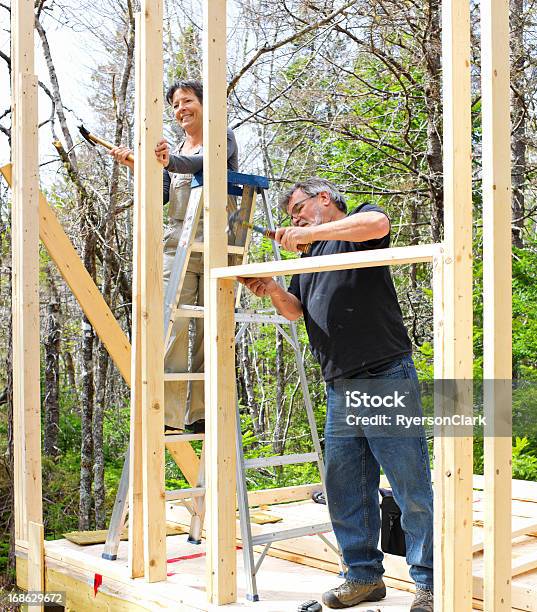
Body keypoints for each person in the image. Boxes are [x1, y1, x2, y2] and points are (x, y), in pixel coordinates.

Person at [238, 178, 433, 611]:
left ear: (323, 198)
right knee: (345, 488)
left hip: (384, 373)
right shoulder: (308, 259)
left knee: (409, 484)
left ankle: (430, 583)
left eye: (299, 211)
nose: (296, 222)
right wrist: (272, 288)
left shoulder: (352, 233)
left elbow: (377, 224)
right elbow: (297, 311)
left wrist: (309, 233)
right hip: (340, 384)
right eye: (292, 218)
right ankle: (363, 577)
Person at [110, 79, 238, 433]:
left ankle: (202, 413)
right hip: (177, 244)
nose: (182, 109)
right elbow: (162, 194)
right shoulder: (176, 149)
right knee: (172, 325)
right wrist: (141, 167)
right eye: (176, 105)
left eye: (188, 101)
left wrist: (165, 160)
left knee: (210, 329)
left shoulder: (222, 136)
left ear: (204, 104)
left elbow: (199, 164)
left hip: (215, 241)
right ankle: (168, 418)